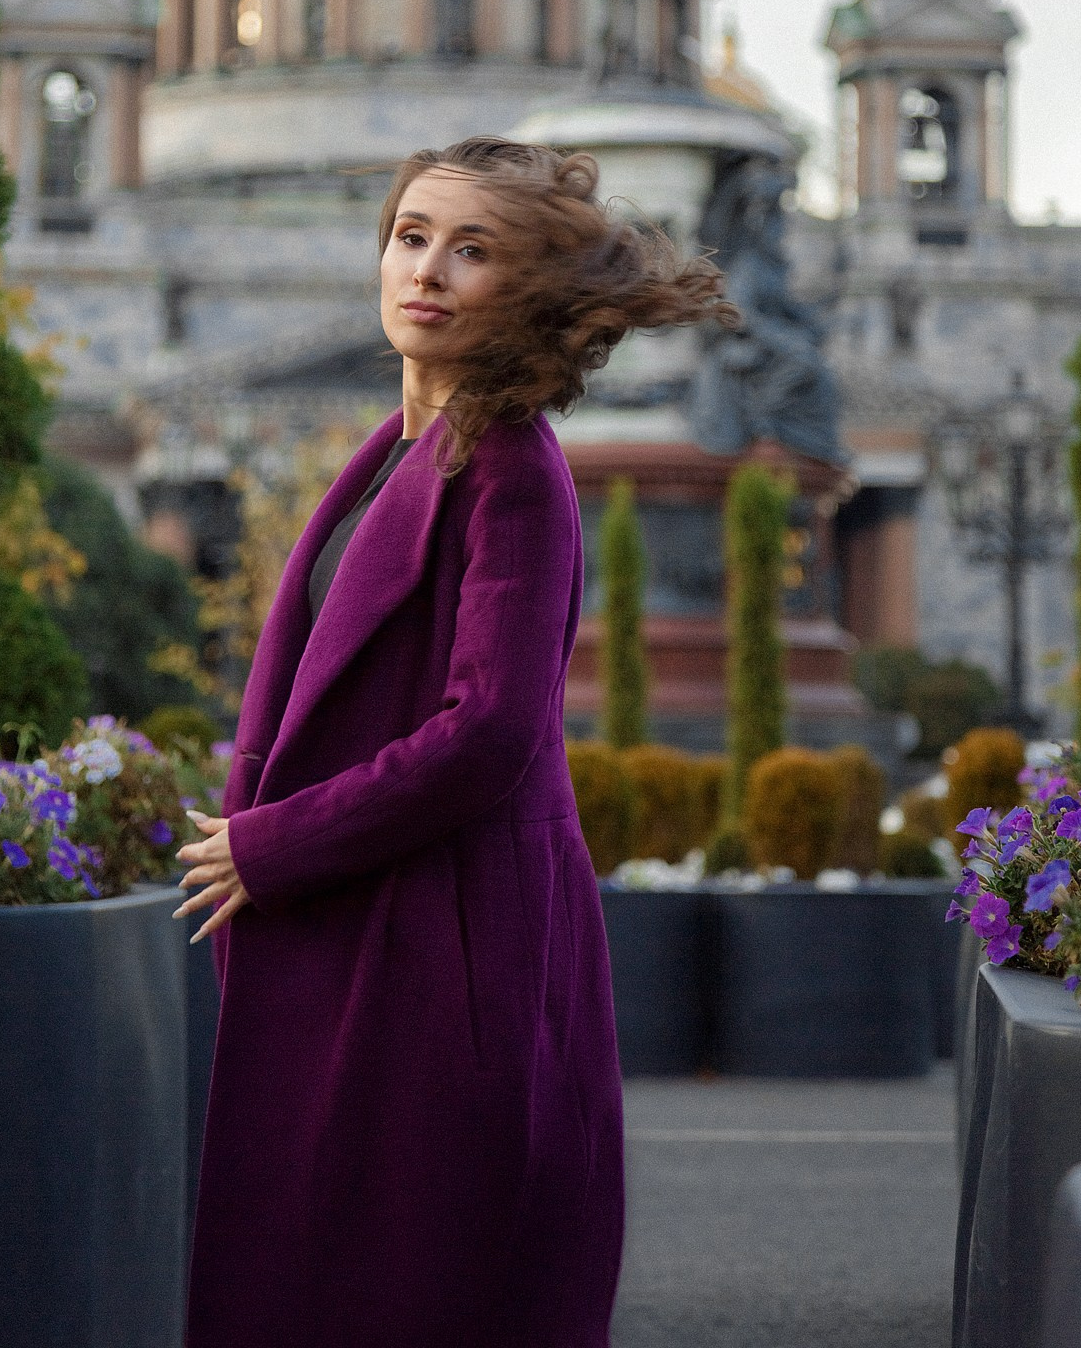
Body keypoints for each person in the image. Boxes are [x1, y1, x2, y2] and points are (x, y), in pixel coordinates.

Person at [175, 136, 734, 1348]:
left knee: (412, 1280)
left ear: (526, 291)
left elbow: (487, 732)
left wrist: (272, 846)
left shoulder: (513, 468)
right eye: (410, 234)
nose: (423, 269)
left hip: (441, 940)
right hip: (361, 920)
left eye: (469, 249)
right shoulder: (396, 449)